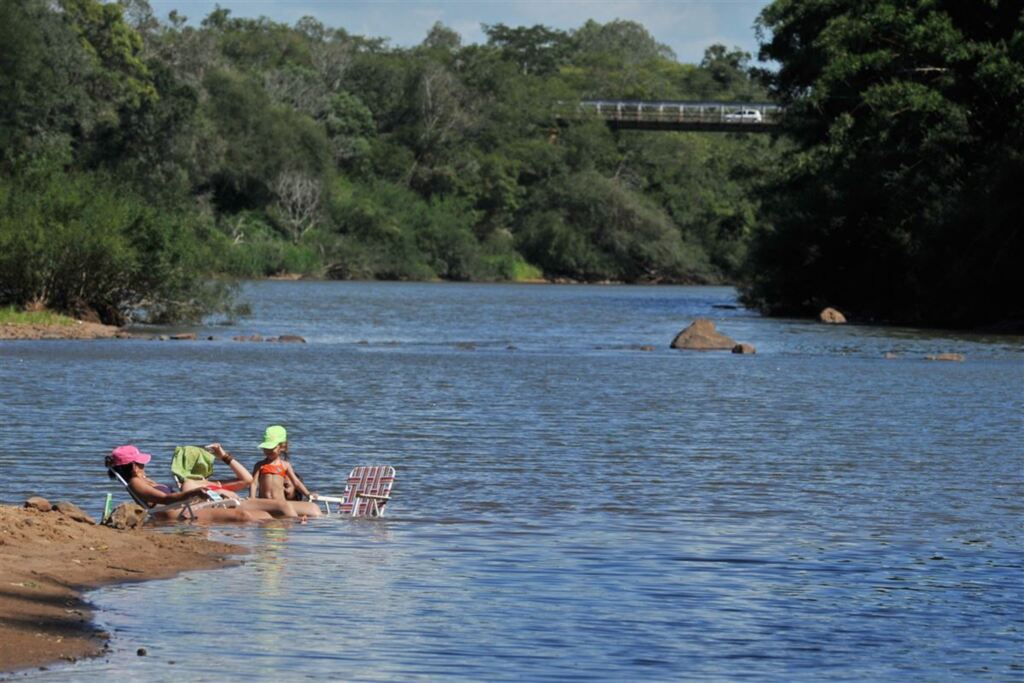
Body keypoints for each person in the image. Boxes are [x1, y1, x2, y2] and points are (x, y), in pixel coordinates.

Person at [106, 445, 271, 523]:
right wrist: (195, 493)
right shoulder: (135, 482)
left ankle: (277, 533)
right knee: (243, 516)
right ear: (134, 466)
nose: (144, 465)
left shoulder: (142, 480)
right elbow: (166, 499)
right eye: (141, 463)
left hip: (186, 507)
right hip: (178, 513)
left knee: (262, 514)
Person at [174, 443, 311, 519]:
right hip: (233, 507)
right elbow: (194, 502)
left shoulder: (215, 483)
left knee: (313, 509)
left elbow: (247, 479)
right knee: (283, 508)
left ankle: (308, 521)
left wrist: (225, 456)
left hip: (239, 504)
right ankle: (297, 525)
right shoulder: (190, 483)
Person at [250, 426, 321, 517]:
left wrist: (307, 493)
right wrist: (252, 499)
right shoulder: (260, 465)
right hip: (265, 502)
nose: (268, 451)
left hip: (280, 503)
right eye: (266, 448)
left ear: (282, 447)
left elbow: (296, 482)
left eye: (272, 448)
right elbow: (254, 483)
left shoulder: (285, 465)